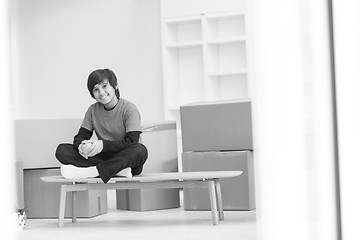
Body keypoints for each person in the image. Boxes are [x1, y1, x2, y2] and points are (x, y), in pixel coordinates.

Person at [55, 68, 148, 183]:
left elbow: (131, 141)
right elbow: (79, 137)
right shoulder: (92, 110)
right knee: (62, 150)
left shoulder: (129, 109)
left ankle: (94, 172)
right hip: (104, 157)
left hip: (127, 160)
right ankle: (116, 171)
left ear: (115, 86)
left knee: (140, 150)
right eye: (96, 89)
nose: (101, 93)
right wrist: (81, 146)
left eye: (104, 86)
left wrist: (103, 145)